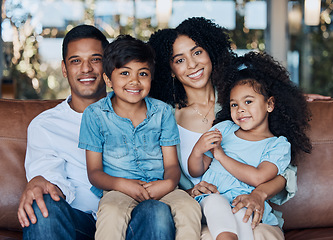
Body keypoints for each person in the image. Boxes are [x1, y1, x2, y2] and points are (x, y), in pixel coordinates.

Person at [17, 25, 176, 240]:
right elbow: (50, 178)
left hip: (132, 216)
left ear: (109, 66)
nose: (86, 69)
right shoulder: (45, 125)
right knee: (41, 204)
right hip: (77, 222)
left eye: (95, 59)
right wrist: (39, 181)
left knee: (156, 211)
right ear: (64, 69)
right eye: (76, 61)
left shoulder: (148, 114)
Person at [148, 17, 299, 240]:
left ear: (210, 52)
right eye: (179, 60)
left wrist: (259, 193)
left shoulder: (238, 102)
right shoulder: (163, 117)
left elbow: (286, 170)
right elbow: (157, 174)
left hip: (248, 206)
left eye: (197, 52)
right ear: (169, 69)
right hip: (199, 212)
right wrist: (187, 193)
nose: (192, 64)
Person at [78, 35, 201, 240]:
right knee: (110, 214)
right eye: (125, 73)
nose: (134, 81)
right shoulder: (95, 115)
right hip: (118, 189)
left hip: (161, 186)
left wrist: (168, 183)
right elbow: (95, 172)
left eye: (142, 73)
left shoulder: (162, 112)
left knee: (189, 208)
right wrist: (122, 184)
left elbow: (171, 165)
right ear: (108, 79)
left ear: (151, 78)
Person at [188, 51, 312, 240]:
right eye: (234, 104)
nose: (241, 109)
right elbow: (197, 170)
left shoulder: (277, 145)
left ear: (269, 104)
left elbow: (258, 177)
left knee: (243, 213)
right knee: (214, 203)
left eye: (248, 101)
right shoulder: (224, 129)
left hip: (246, 202)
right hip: (212, 198)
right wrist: (197, 150)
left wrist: (221, 156)